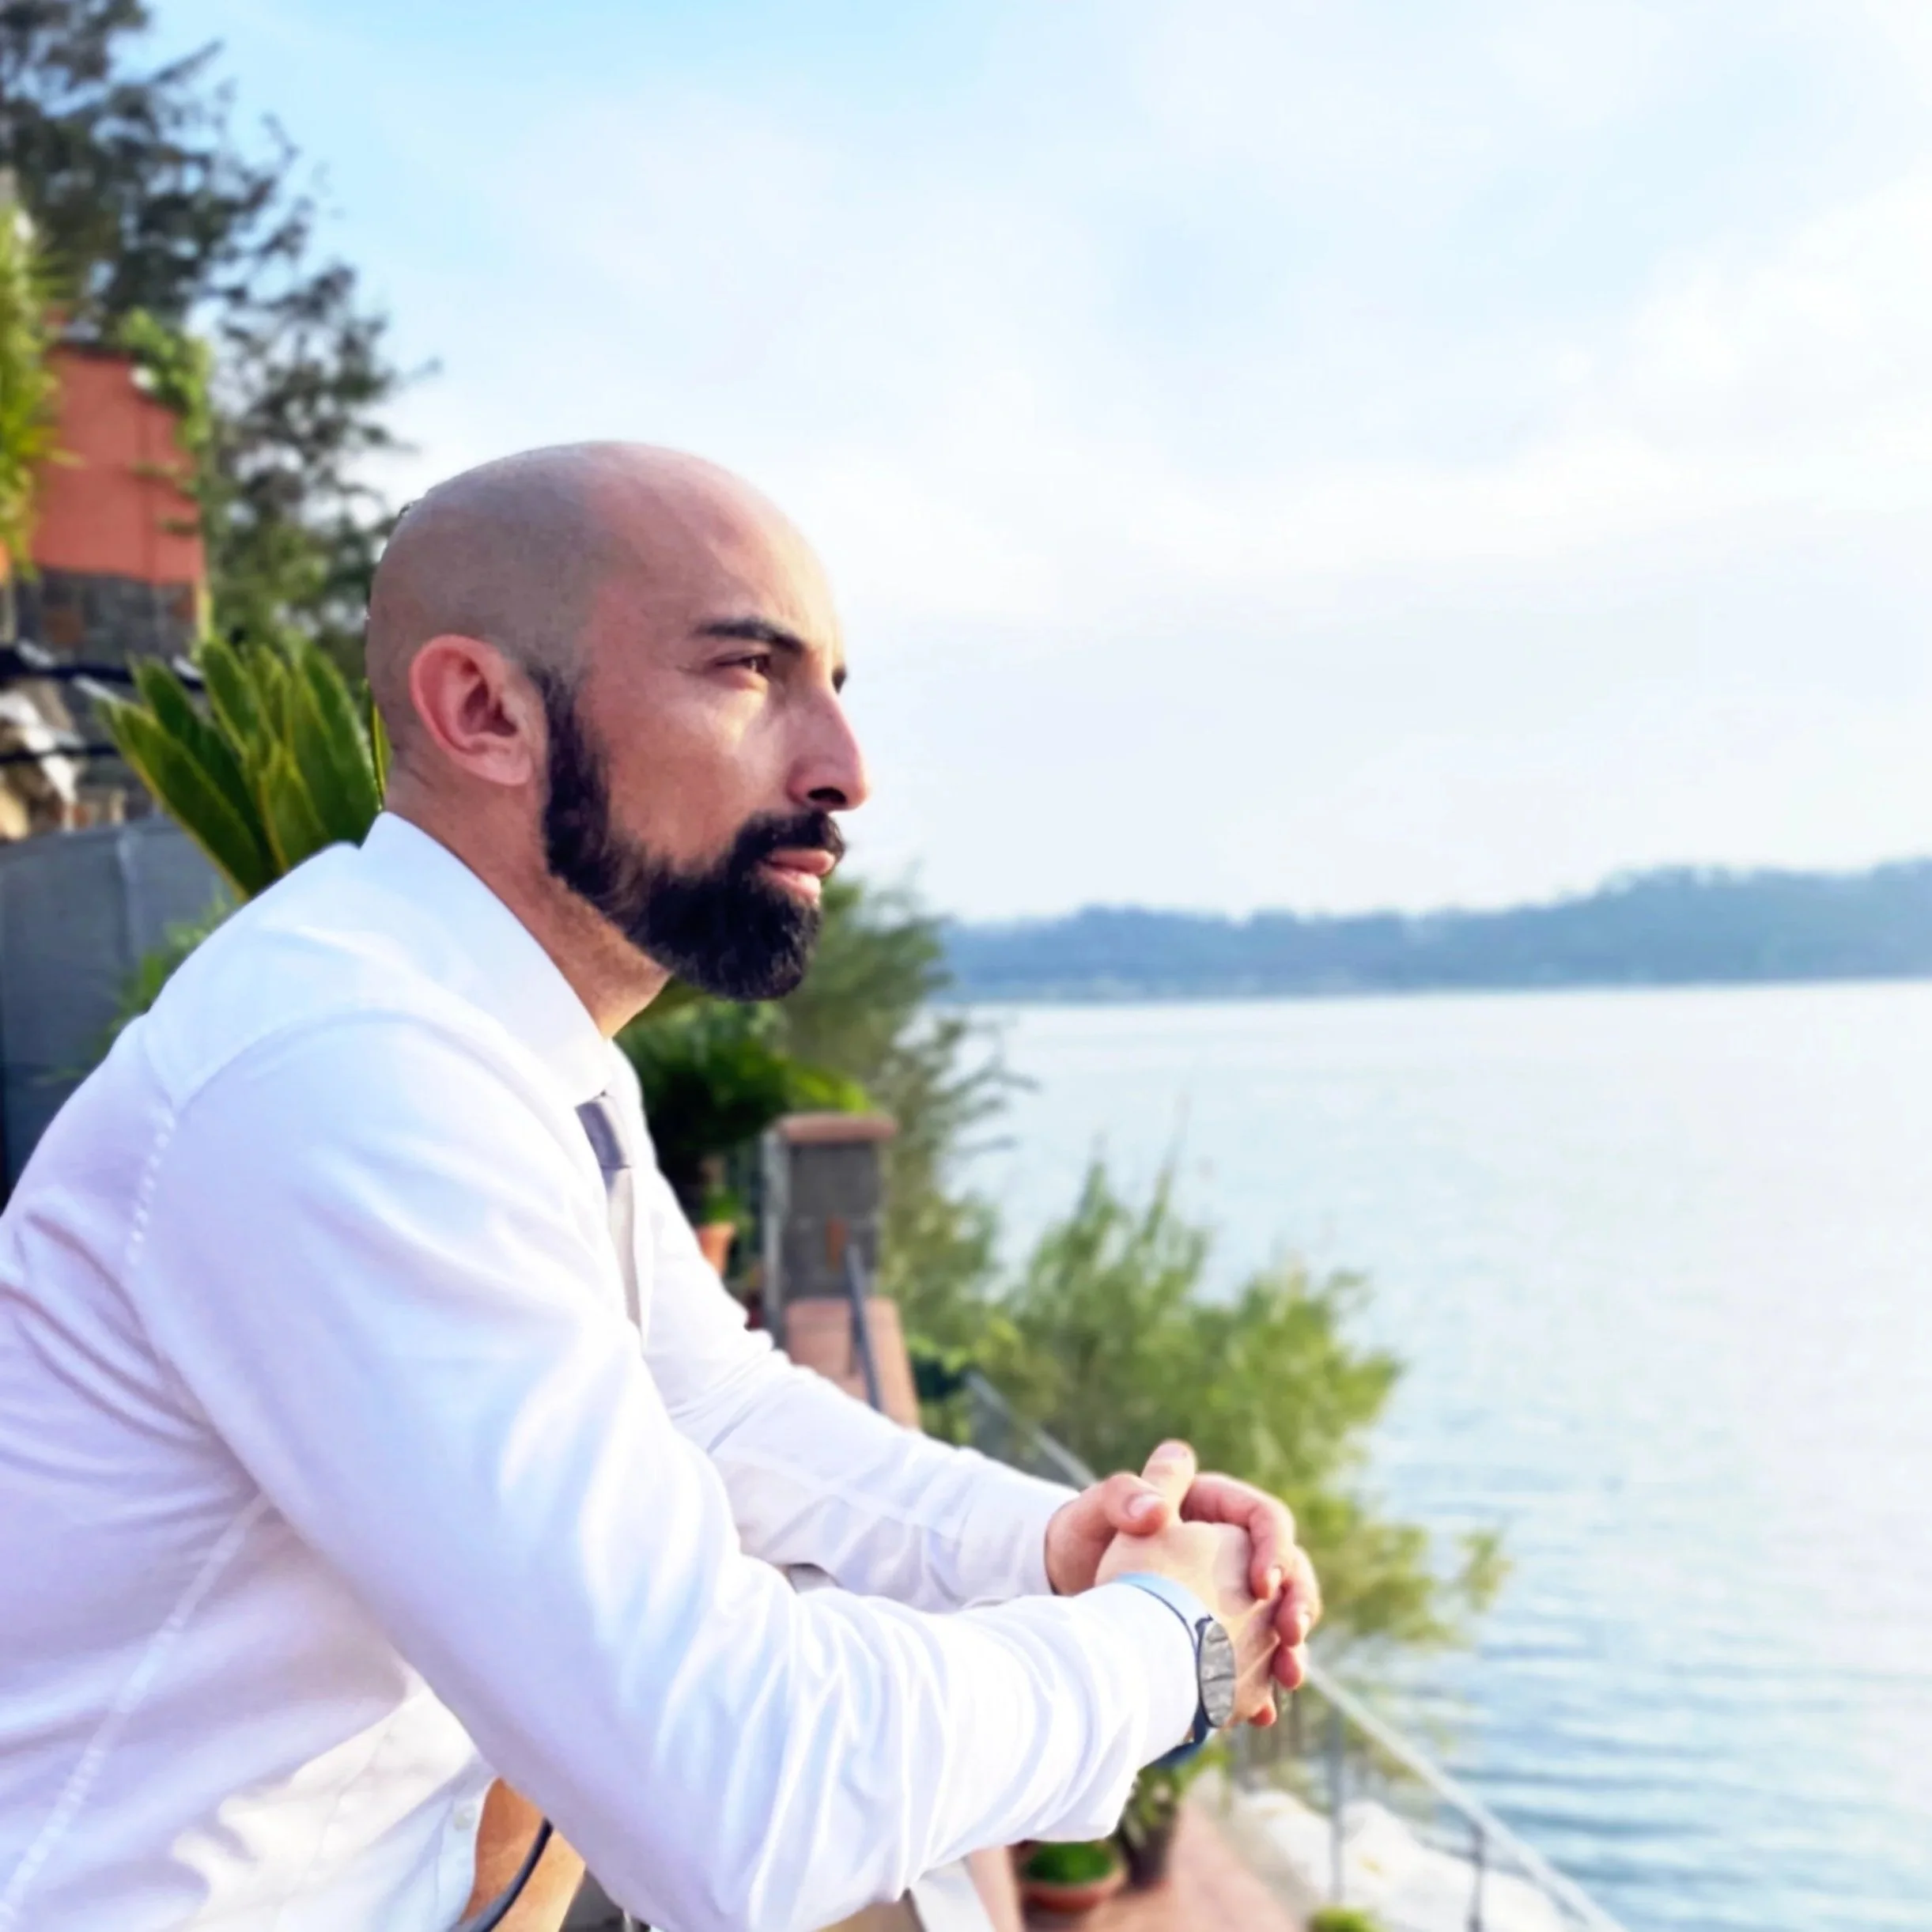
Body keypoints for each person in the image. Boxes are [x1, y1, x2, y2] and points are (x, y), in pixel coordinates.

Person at [0, 444, 1320, 1932]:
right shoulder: (345, 1076)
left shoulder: (502, 1029)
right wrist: (1170, 1646)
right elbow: (738, 1796)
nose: (845, 768)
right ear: (485, 710)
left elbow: (711, 1405)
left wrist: (1046, 1542)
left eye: (835, 681)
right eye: (751, 671)